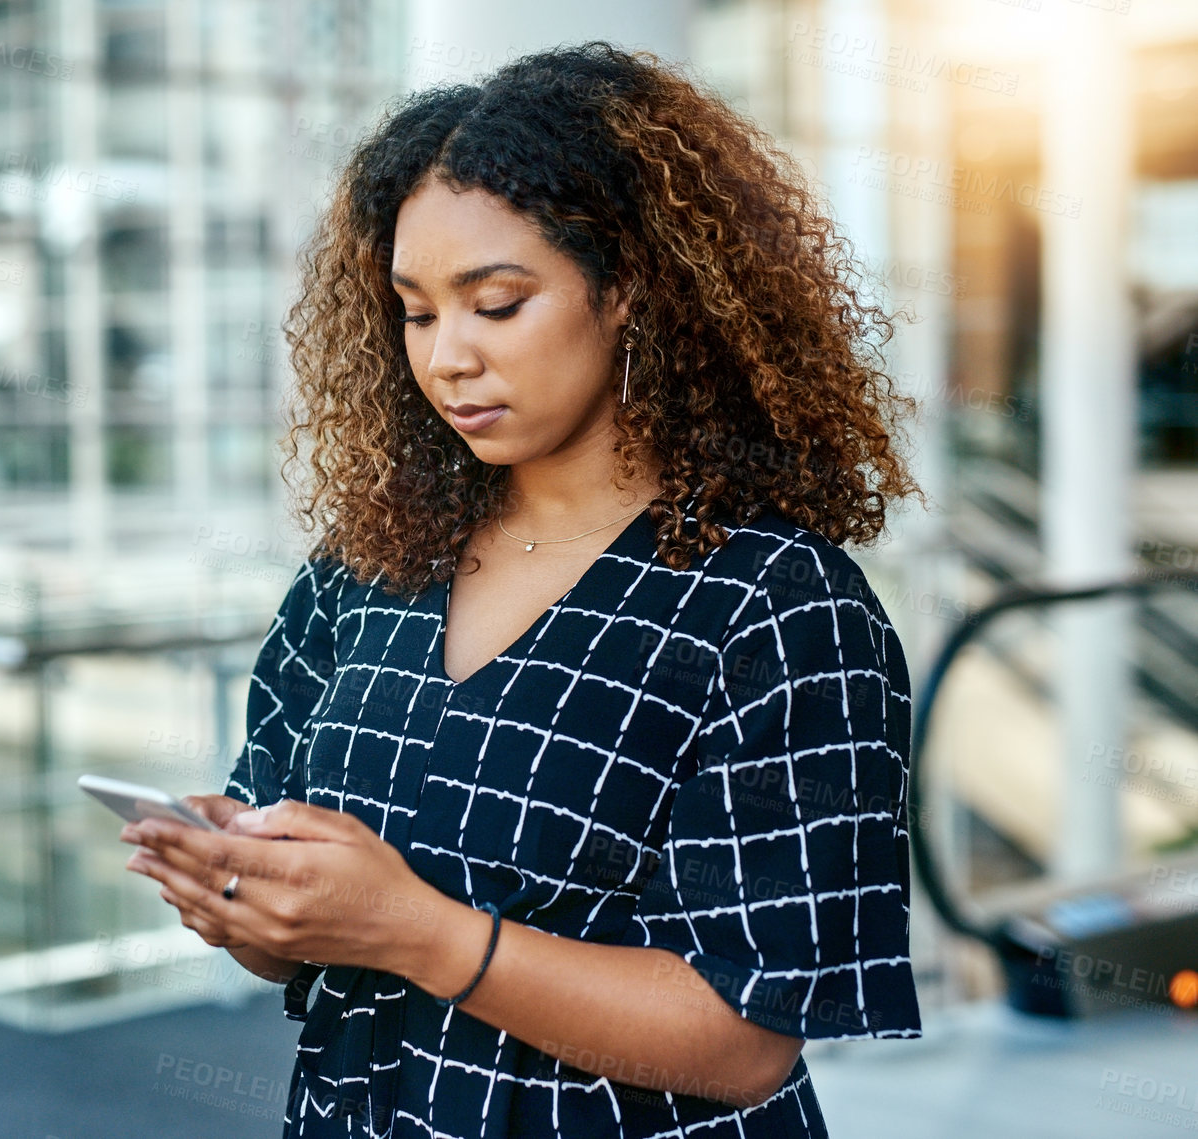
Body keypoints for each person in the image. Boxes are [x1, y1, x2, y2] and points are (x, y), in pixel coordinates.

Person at [120, 41, 923, 1138]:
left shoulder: (774, 607)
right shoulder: (366, 569)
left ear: (633, 290)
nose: (447, 356)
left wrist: (420, 929)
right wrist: (235, 895)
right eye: (414, 311)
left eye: (495, 303)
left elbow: (744, 1040)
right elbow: (290, 939)